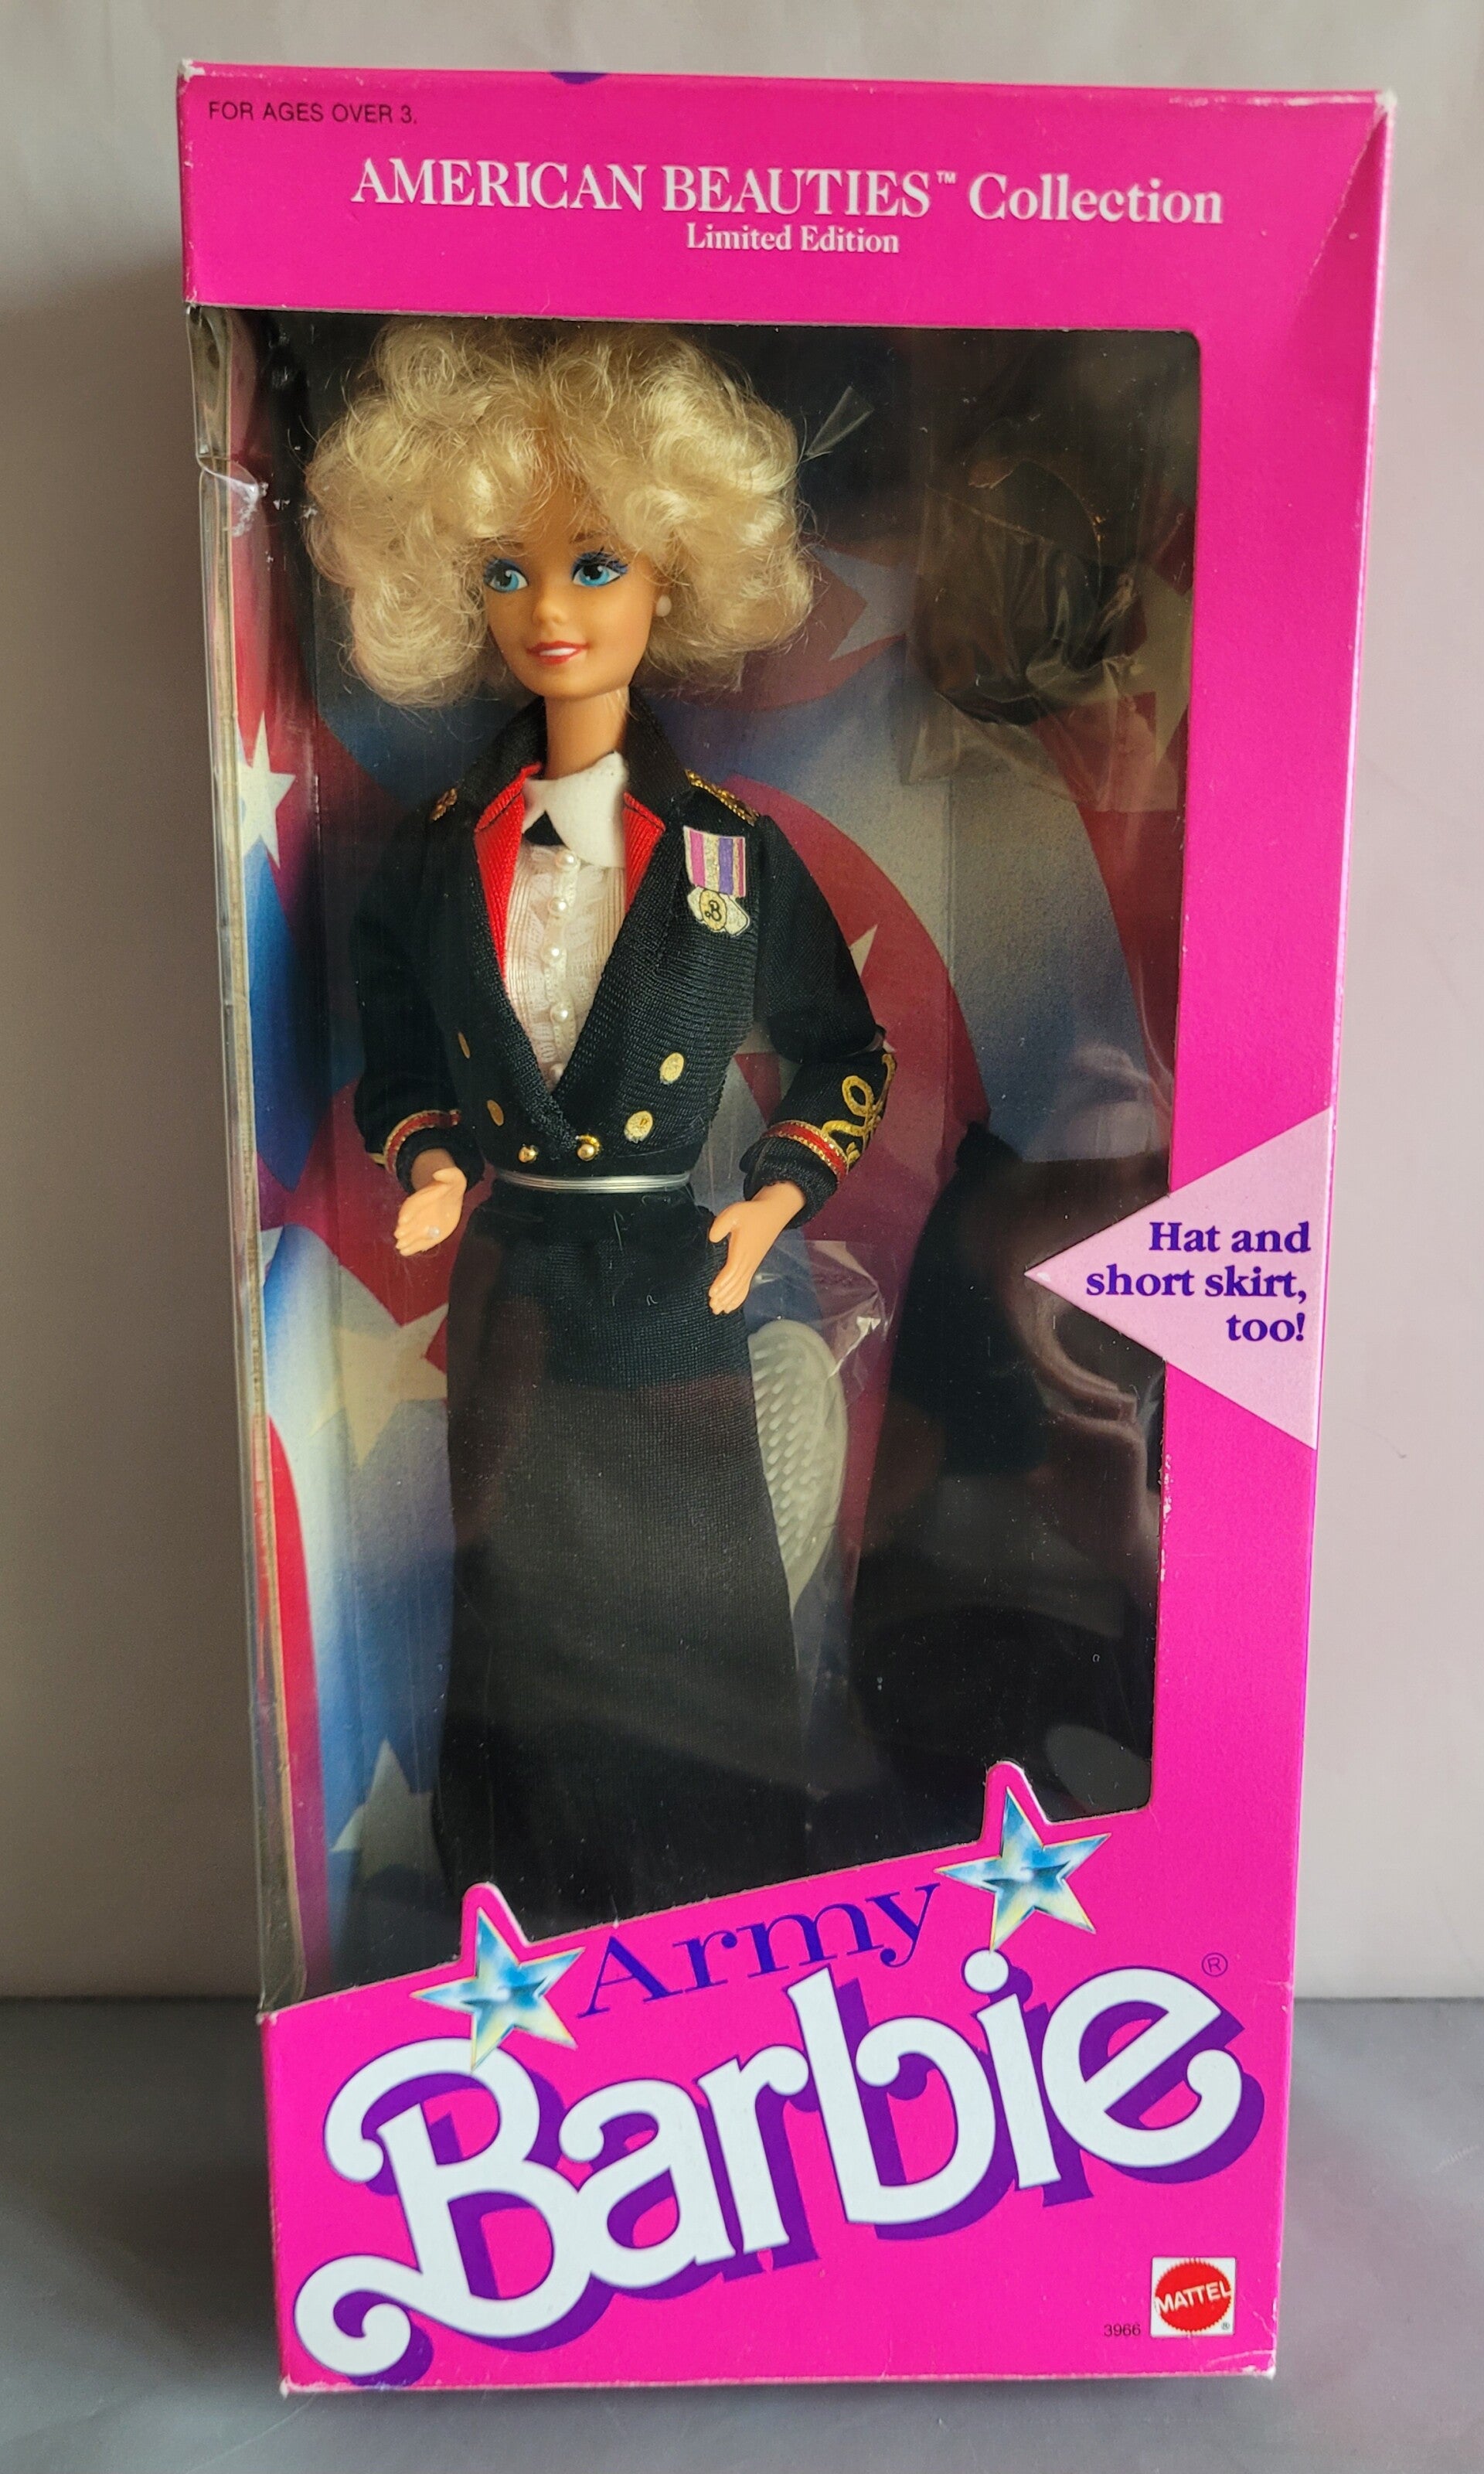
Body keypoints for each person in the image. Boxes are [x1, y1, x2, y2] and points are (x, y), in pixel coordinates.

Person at [306, 319, 892, 1932]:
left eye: (594, 565)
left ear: (672, 578)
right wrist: (431, 1162)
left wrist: (775, 1200)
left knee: (697, 1624)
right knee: (519, 1622)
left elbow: (844, 1053)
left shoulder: (729, 854)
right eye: (506, 572)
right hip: (517, 1294)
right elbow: (401, 1056)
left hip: (680, 1292)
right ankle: (527, 1926)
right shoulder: (440, 852)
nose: (549, 609)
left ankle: (717, 1919)